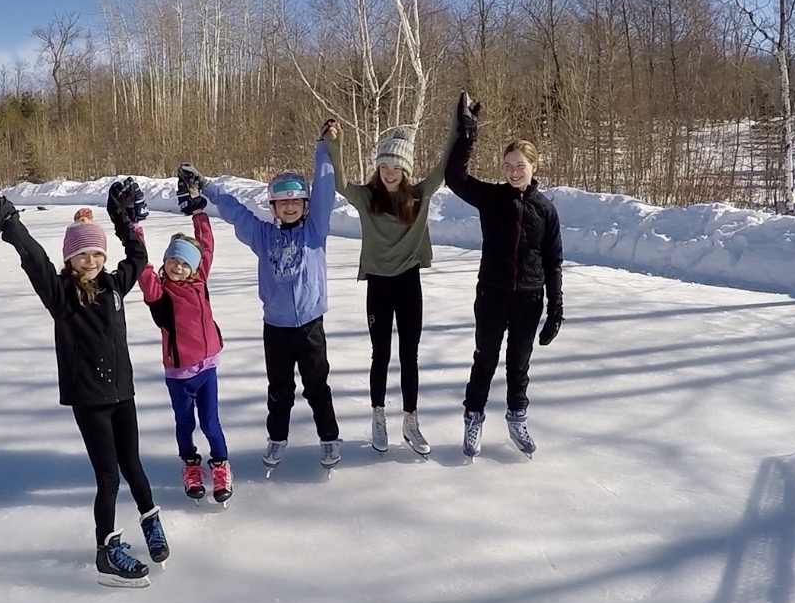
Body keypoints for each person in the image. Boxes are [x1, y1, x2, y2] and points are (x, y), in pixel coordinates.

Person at [0, 171, 169, 588]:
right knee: (108, 476)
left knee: (135, 466)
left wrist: (124, 221)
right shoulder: (60, 295)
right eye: (82, 256)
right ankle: (106, 550)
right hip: (90, 400)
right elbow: (31, 254)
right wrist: (1, 212)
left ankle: (150, 521)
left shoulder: (113, 286)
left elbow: (140, 260)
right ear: (69, 260)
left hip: (122, 394)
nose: (90, 262)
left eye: (96, 254)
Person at [179, 127, 342, 474]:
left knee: (316, 386)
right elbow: (236, 212)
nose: (289, 207)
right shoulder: (263, 236)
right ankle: (277, 437)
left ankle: (329, 437)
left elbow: (326, 191)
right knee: (279, 389)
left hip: (311, 326)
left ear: (305, 205)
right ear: (274, 207)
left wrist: (323, 149)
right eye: (283, 203)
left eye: (296, 202)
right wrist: (208, 186)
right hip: (276, 328)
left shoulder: (316, 231)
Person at [328, 101, 468, 456]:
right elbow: (342, 183)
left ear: (405, 171)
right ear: (378, 168)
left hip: (408, 283)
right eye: (384, 166)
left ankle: (410, 419)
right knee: (381, 354)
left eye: (396, 167)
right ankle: (379, 416)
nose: (389, 173)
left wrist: (460, 126)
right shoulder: (366, 198)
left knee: (410, 355)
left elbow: (441, 169)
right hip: (378, 284)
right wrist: (334, 143)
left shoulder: (418, 198)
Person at [443, 97, 564, 458]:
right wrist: (467, 136)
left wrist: (556, 306)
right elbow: (455, 178)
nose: (514, 171)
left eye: (520, 165)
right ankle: (474, 418)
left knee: (519, 363)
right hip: (493, 293)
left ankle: (516, 417)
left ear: (533, 166)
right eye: (508, 165)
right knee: (485, 358)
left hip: (529, 297)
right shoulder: (492, 198)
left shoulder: (545, 209)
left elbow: (553, 259)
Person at [136, 175, 231, 504]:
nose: (177, 266)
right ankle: (190, 464)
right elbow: (142, 269)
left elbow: (206, 244)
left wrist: (198, 210)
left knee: (211, 422)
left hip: (207, 369)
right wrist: (135, 229)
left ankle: (220, 465)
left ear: (194, 268)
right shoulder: (160, 293)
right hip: (179, 374)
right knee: (184, 423)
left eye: (184, 262)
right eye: (172, 259)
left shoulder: (199, 281)